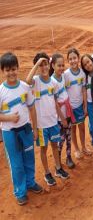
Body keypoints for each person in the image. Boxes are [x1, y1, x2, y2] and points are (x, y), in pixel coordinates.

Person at [0, 52, 43, 205]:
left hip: (26, 129)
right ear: (2, 71)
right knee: (16, 163)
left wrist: (35, 129)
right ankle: (20, 191)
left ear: (18, 68)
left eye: (13, 69)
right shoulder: (1, 91)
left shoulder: (25, 87)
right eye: (7, 70)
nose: (11, 73)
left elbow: (32, 109)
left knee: (29, 158)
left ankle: (30, 183)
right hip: (10, 133)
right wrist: (9, 118)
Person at [26, 52, 69, 186]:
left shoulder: (53, 83)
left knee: (55, 146)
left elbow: (55, 102)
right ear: (38, 67)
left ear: (49, 65)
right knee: (44, 149)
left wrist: (61, 118)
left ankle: (58, 168)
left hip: (53, 121)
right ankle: (46, 173)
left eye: (45, 64)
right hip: (41, 125)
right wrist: (38, 62)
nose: (44, 68)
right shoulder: (35, 82)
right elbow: (27, 80)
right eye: (41, 65)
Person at [64, 48, 91, 159]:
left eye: (74, 58)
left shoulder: (82, 74)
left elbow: (84, 90)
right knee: (72, 129)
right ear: (68, 61)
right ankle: (76, 149)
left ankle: (83, 147)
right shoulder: (65, 75)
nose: (73, 61)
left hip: (80, 106)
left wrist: (85, 106)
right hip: (70, 108)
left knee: (82, 127)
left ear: (78, 58)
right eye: (70, 59)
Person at [50, 53, 76, 169]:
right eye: (58, 65)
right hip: (60, 117)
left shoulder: (62, 77)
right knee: (61, 139)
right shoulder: (52, 81)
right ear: (53, 65)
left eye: (62, 65)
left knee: (69, 137)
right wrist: (62, 118)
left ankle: (69, 157)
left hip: (68, 112)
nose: (61, 68)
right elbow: (55, 103)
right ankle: (58, 160)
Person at [80, 54, 93, 150]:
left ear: (92, 60)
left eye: (88, 61)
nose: (87, 65)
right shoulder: (85, 77)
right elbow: (85, 92)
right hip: (90, 104)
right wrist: (86, 106)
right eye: (84, 64)